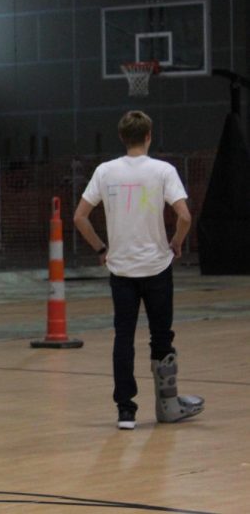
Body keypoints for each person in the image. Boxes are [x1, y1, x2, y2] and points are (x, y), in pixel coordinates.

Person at [73, 109, 203, 431]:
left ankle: (125, 410)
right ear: (148, 136)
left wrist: (101, 249)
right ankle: (168, 406)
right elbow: (185, 216)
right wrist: (176, 241)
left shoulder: (105, 172)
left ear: (122, 137)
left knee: (123, 338)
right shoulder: (163, 171)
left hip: (121, 270)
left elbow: (79, 217)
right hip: (157, 267)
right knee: (161, 337)